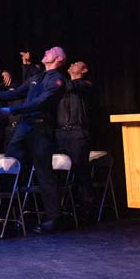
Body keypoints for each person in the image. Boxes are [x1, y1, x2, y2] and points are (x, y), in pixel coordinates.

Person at [0, 46, 69, 233]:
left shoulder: (57, 79)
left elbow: (41, 102)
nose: (46, 50)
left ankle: (54, 218)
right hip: (25, 126)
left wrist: (13, 110)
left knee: (43, 172)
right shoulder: (37, 77)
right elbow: (15, 93)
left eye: (52, 50)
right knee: (8, 163)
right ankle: (9, 215)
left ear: (59, 59)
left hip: (41, 128)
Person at [56, 60, 95, 220]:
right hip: (60, 134)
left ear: (84, 70)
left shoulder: (85, 85)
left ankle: (87, 211)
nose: (72, 64)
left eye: (76, 63)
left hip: (77, 134)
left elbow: (72, 86)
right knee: (58, 172)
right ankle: (63, 209)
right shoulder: (62, 86)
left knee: (81, 173)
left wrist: (54, 75)